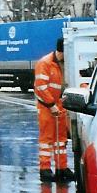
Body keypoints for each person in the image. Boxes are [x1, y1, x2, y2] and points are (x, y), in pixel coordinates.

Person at [34, 37, 74, 183]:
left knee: (60, 140)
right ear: (61, 52)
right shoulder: (45, 64)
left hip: (59, 105)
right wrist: (51, 105)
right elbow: (41, 86)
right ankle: (45, 169)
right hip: (46, 106)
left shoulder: (62, 64)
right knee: (47, 139)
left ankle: (61, 168)